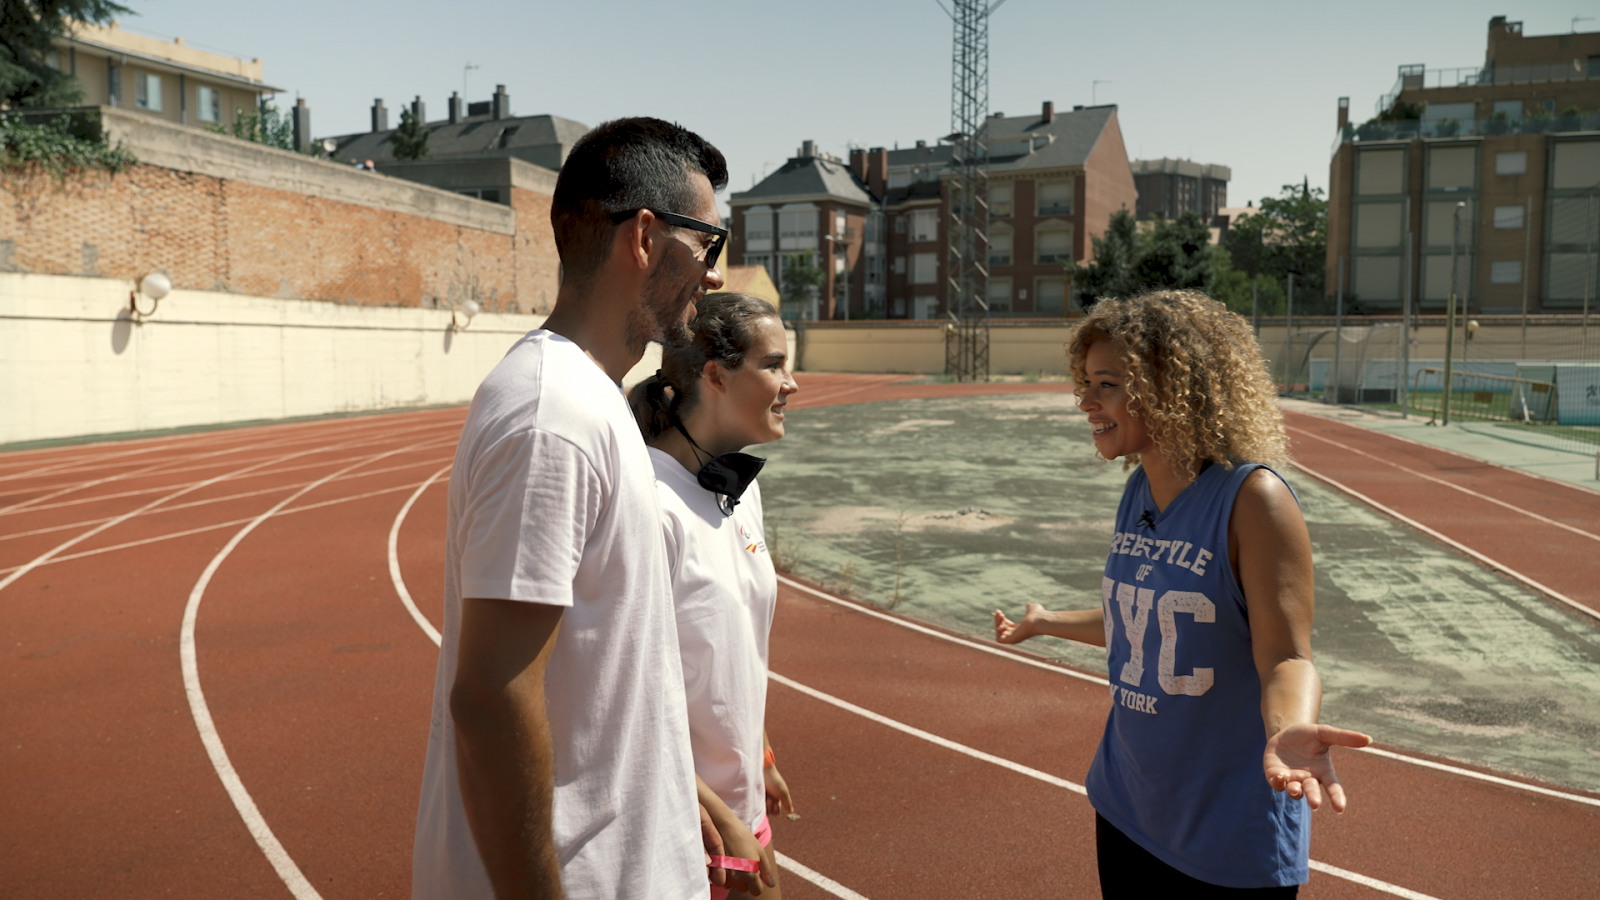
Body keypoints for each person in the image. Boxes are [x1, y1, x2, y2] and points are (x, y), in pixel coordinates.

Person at [412, 117, 731, 900]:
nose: (717, 276)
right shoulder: (552, 417)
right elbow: (492, 697)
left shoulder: (591, 402)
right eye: (710, 245)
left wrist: (674, 791)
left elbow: (601, 667)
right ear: (647, 238)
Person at [993, 290, 1371, 897]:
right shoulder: (1139, 488)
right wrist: (1046, 621)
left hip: (1226, 832)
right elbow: (1145, 620)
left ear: (1170, 388)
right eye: (1085, 384)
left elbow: (1287, 657)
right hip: (1127, 805)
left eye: (1108, 384)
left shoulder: (1254, 500)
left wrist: (1289, 728)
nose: (1086, 402)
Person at [628, 293, 799, 899]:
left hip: (741, 805)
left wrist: (760, 751)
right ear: (716, 375)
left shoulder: (739, 490)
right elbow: (635, 697)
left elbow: (729, 651)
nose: (792, 383)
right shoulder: (650, 505)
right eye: (775, 365)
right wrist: (718, 817)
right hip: (684, 823)